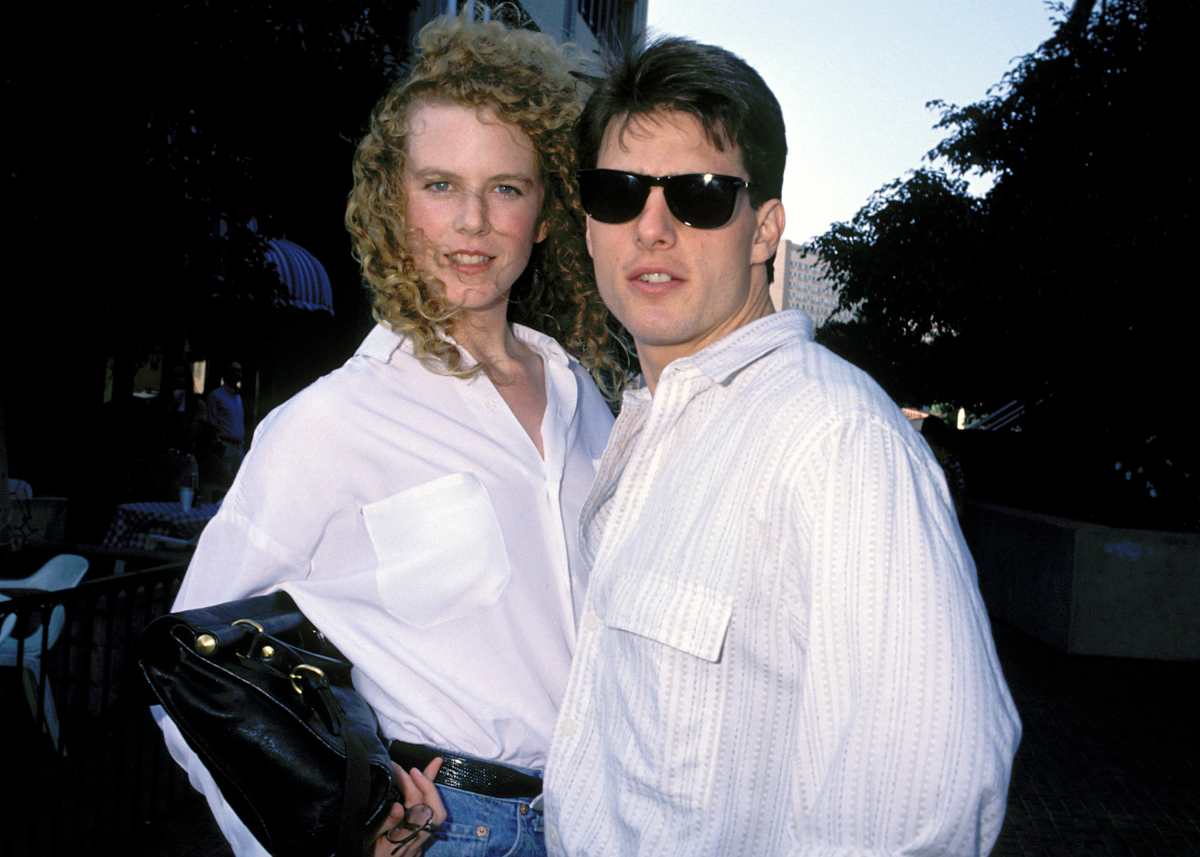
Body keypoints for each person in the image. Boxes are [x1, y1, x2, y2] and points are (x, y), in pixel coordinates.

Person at [543, 36, 1022, 856]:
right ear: (589, 226)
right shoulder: (646, 428)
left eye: (697, 196)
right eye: (619, 192)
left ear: (764, 229)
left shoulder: (835, 441)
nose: (651, 228)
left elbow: (922, 815)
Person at [155, 14, 620, 857]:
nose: (473, 221)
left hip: (608, 822)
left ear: (547, 213)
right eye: (440, 184)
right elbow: (191, 677)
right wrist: (320, 832)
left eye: (507, 188)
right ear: (393, 204)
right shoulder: (331, 424)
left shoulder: (587, 402)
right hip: (448, 835)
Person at [205, 360, 246, 483]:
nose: (238, 375)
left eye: (239, 371)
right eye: (234, 371)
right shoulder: (216, 396)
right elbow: (211, 423)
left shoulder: (238, 397)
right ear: (227, 374)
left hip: (239, 448)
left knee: (239, 484)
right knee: (224, 484)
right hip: (225, 448)